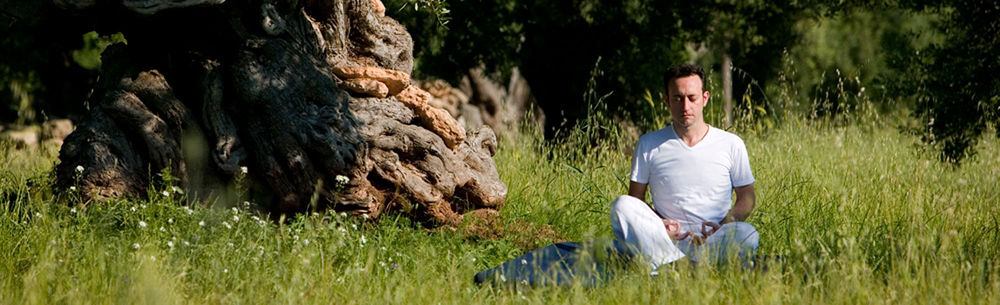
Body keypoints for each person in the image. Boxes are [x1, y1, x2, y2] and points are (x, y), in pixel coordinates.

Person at [610, 63, 759, 269]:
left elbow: (747, 198)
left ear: (705, 98)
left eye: (692, 98)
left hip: (714, 239)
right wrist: (660, 225)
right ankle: (675, 263)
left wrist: (723, 225)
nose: (685, 107)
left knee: (748, 233)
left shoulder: (731, 144)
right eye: (678, 99)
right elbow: (636, 200)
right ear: (667, 101)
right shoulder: (648, 144)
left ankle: (688, 266)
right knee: (622, 205)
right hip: (667, 239)